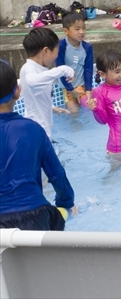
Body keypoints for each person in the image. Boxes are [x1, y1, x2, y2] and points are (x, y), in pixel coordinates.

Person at [0, 61, 76, 231]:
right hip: (35, 215)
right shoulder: (33, 129)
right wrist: (66, 203)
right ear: (17, 92)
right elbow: (56, 174)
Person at [19, 27, 76, 140]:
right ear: (46, 51)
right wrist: (63, 69)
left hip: (42, 131)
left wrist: (51, 107)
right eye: (56, 51)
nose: (56, 56)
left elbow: (33, 95)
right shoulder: (28, 68)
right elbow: (32, 82)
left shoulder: (40, 69)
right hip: (37, 133)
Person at [56, 12, 94, 114]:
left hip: (83, 87)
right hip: (69, 89)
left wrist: (88, 90)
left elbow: (88, 70)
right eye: (77, 29)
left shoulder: (87, 47)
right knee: (73, 113)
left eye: (84, 28)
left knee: (90, 111)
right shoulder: (61, 47)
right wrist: (71, 90)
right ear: (66, 31)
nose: (81, 32)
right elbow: (60, 70)